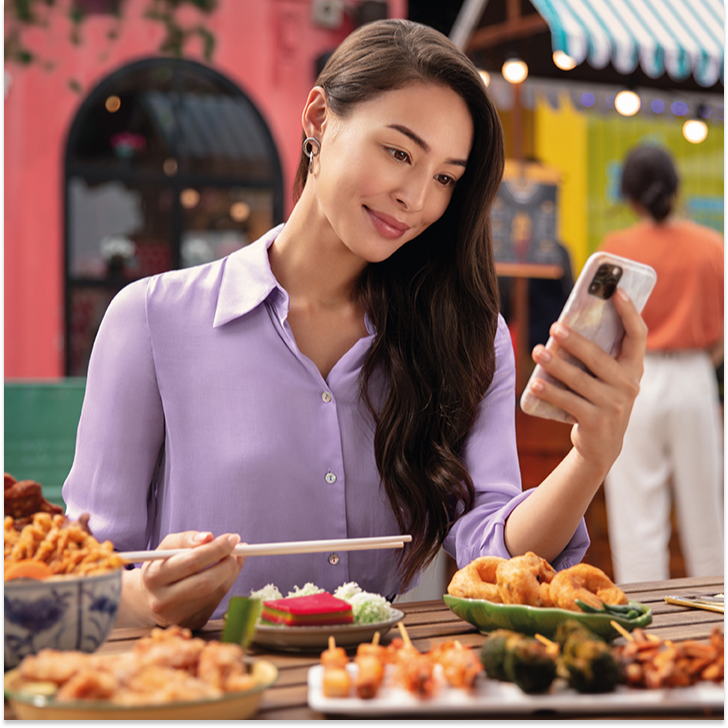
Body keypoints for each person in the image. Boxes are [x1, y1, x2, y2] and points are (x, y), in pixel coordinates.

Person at [63, 20, 648, 630]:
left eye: (446, 177)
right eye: (399, 152)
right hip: (210, 688)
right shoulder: (152, 320)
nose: (417, 198)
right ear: (318, 120)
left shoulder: (466, 337)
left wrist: (590, 456)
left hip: (381, 687)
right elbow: (89, 572)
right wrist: (145, 597)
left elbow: (492, 550)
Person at [599, 145, 723, 584]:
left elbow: (597, 329)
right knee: (707, 512)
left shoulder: (616, 251)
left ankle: (644, 634)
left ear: (629, 196)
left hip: (635, 379)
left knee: (637, 514)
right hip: (694, 378)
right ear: (676, 188)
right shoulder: (713, 247)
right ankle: (716, 623)